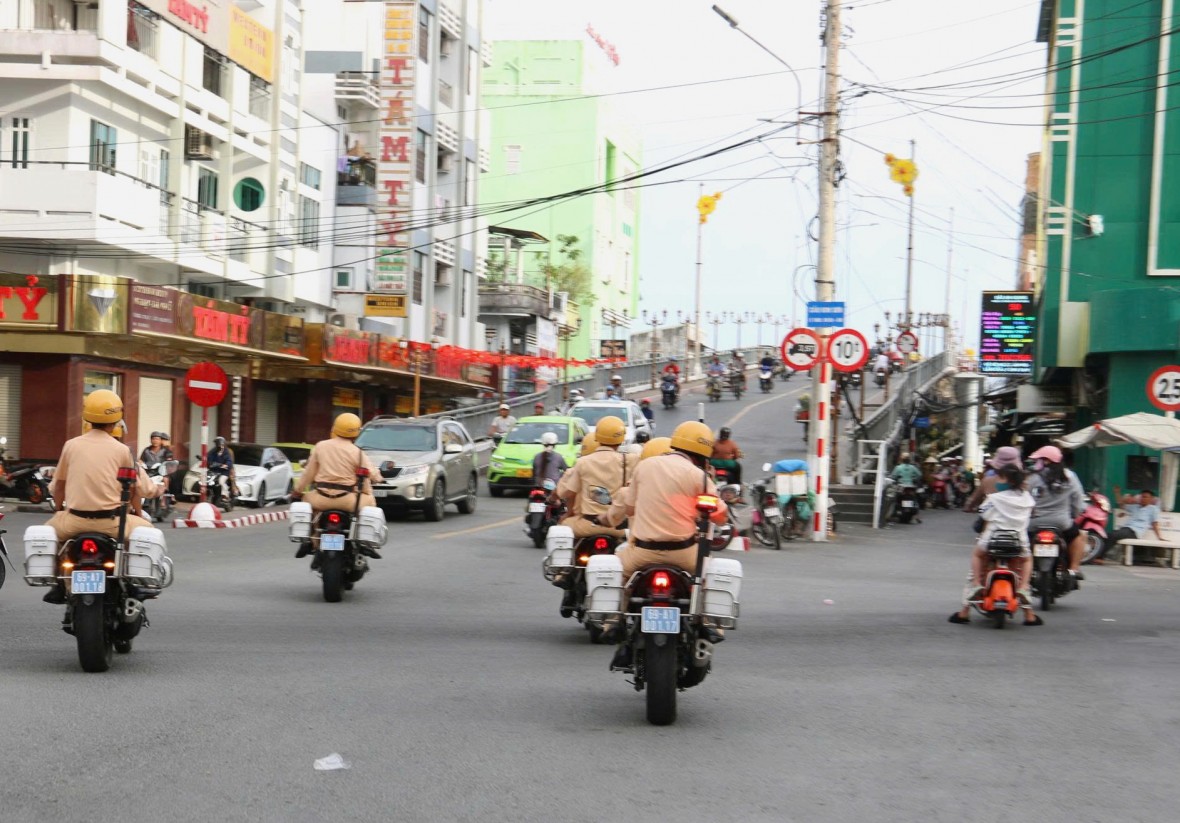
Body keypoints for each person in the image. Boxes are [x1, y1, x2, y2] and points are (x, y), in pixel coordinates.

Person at [604, 421, 729, 664]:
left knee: (615, 575)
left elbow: (629, 507)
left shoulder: (645, 467)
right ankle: (711, 625)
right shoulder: (699, 477)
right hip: (684, 554)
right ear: (703, 453)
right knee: (709, 577)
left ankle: (613, 622)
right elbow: (719, 515)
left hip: (641, 553)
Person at [42, 390, 160, 604]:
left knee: (49, 536)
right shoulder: (122, 450)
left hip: (74, 521)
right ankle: (135, 583)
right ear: (116, 420)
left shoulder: (71, 445)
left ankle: (58, 585)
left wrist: (59, 509)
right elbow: (131, 489)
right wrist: (139, 513)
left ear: (86, 417)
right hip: (112, 523)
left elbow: (59, 485)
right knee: (147, 532)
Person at [948, 464, 1041, 626]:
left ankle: (968, 603)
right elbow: (1032, 513)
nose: (997, 481)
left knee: (977, 556)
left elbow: (983, 513)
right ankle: (1027, 602)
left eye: (1001, 478)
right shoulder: (1027, 499)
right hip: (1018, 542)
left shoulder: (995, 498)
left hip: (992, 541)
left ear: (1007, 481)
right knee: (1026, 561)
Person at [293, 413, 380, 559]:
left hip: (321, 499)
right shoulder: (357, 452)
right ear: (356, 432)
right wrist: (378, 478)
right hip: (349, 501)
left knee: (307, 503)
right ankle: (364, 542)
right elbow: (370, 474)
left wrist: (297, 491)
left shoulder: (320, 447)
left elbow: (308, 474)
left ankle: (311, 540)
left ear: (335, 427)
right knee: (370, 501)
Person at [557, 416, 638, 541]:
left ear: (597, 437)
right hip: (616, 527)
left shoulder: (582, 462)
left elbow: (570, 493)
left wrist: (569, 514)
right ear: (621, 439)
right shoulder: (630, 460)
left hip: (587, 525)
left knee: (562, 527)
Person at [1025, 445, 1087, 582]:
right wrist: (1075, 514)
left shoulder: (1032, 477)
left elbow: (1024, 498)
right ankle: (1074, 568)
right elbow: (1077, 501)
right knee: (1079, 536)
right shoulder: (1070, 477)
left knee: (1022, 542)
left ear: (1044, 460)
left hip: (1034, 522)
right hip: (1062, 523)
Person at [1096, 487, 1163, 565]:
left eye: (1145, 497)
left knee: (1113, 535)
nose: (1142, 498)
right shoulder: (1135, 507)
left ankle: (1099, 557)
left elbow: (1155, 523)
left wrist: (1159, 537)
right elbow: (1121, 504)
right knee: (1107, 535)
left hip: (1135, 532)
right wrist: (1117, 493)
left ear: (1151, 499)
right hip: (1126, 529)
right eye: (1142, 496)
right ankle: (1097, 555)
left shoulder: (1153, 509)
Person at [965, 446, 1021, 512]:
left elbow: (973, 499)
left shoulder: (987, 481)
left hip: (992, 516)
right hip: (1016, 519)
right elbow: (1029, 501)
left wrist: (969, 507)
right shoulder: (1022, 482)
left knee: (982, 516)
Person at [205, 435, 235, 502]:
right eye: (216, 443)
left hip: (223, 472)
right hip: (214, 470)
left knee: (221, 481)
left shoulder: (226, 452)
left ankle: (225, 495)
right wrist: (204, 459)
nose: (217, 445)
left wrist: (226, 465)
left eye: (218, 443)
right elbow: (208, 456)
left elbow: (229, 460)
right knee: (205, 479)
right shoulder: (213, 450)